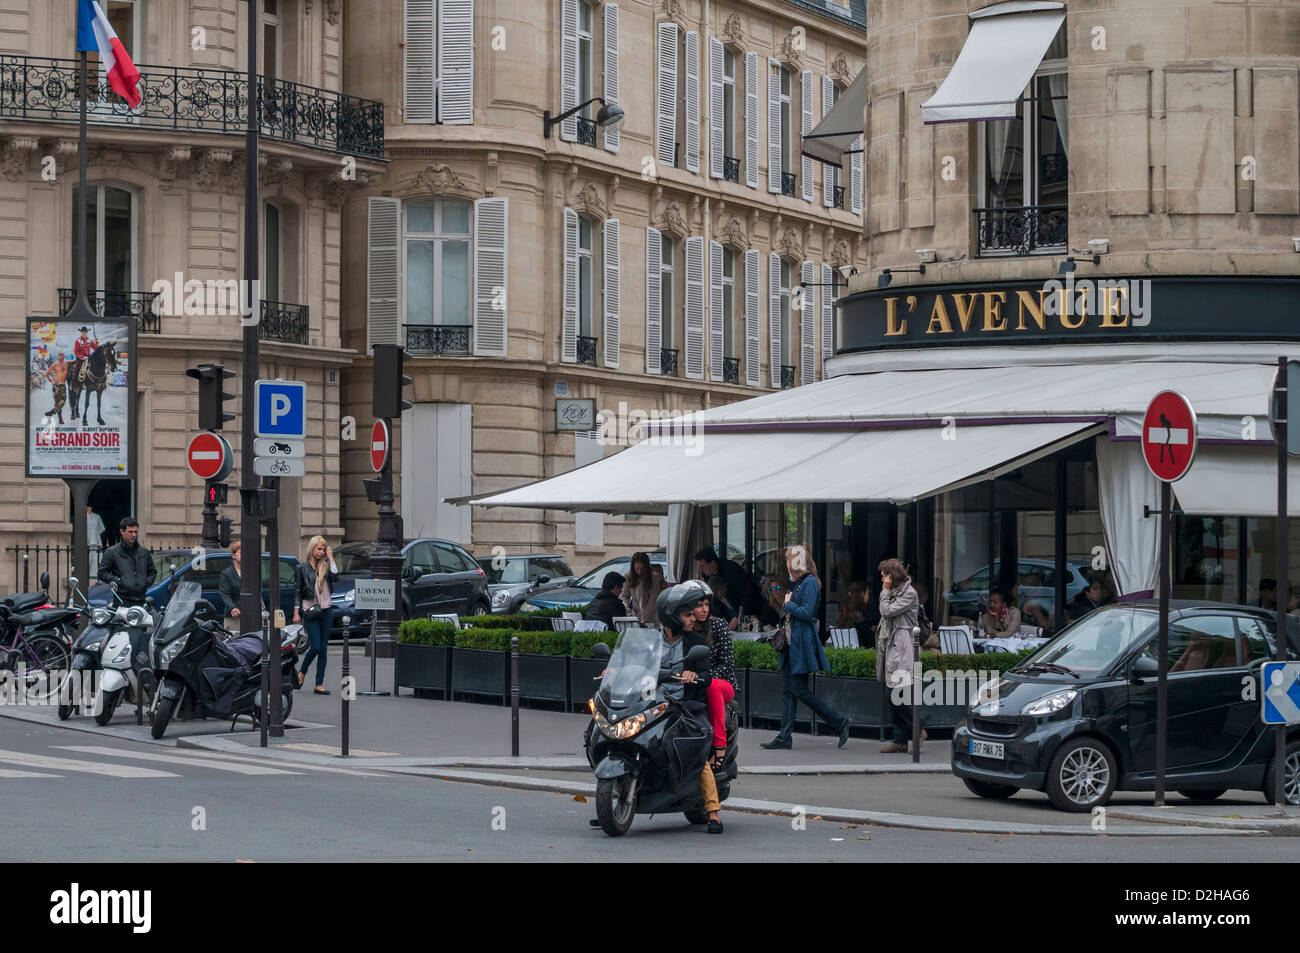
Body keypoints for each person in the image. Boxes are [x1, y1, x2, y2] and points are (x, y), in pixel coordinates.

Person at [760, 545, 851, 751]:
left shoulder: (809, 583)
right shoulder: (799, 583)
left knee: (799, 690)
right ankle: (784, 735)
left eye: (788, 559)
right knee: (788, 690)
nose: (786, 563)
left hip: (801, 643)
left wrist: (789, 604)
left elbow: (809, 613)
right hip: (792, 644)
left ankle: (838, 721)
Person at [655, 582, 725, 834]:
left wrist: (693, 673)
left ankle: (714, 813)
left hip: (686, 707)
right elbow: (635, 662)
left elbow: (707, 675)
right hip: (654, 705)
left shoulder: (695, 640)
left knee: (696, 748)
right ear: (670, 616)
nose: (693, 617)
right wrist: (616, 669)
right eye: (686, 614)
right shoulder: (651, 640)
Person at [876, 558, 925, 754]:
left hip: (903, 646)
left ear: (891, 576)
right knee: (892, 692)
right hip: (892, 646)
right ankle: (900, 739)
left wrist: (885, 591)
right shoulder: (896, 592)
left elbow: (886, 611)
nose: (882, 579)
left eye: (884, 575)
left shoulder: (909, 593)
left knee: (896, 694)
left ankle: (918, 729)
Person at [691, 583, 737, 771]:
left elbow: (727, 663)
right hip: (688, 682)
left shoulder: (718, 625)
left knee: (712, 687)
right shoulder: (683, 627)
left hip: (720, 683)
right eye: (699, 605)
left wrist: (704, 678)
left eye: (706, 605)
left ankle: (719, 745)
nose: (704, 609)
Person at [294, 536, 339, 695]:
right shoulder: (301, 568)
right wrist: (296, 612)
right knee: (316, 647)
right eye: (318, 549)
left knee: (324, 649)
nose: (321, 552)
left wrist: (331, 557)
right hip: (310, 611)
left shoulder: (325, 567)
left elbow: (336, 577)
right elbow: (298, 591)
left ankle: (319, 684)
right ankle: (302, 671)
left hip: (326, 610)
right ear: (312, 549)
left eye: (323, 549)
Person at [694, 546, 759, 628]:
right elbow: (714, 597)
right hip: (728, 608)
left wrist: (738, 616)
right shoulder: (707, 574)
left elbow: (748, 594)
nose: (701, 570)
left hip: (748, 609)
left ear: (713, 563)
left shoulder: (732, 570)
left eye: (702, 566)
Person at [97, 516, 155, 606]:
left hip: (141, 600)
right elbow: (102, 573)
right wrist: (118, 581)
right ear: (122, 531)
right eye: (130, 532)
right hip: (121, 600)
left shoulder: (144, 552)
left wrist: (145, 582)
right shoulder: (112, 552)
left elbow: (152, 571)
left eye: (136, 532)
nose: (134, 535)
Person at [219, 539, 268, 627]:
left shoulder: (253, 572)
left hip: (253, 615)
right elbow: (225, 594)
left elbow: (257, 593)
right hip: (235, 616)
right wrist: (232, 607)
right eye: (241, 552)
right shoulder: (226, 573)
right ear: (233, 555)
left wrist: (262, 611)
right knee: (235, 639)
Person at [622, 552, 660, 625]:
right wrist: (627, 609)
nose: (639, 572)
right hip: (635, 616)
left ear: (647, 567)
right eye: (637, 568)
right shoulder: (628, 576)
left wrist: (645, 619)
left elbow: (653, 600)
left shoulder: (654, 577)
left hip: (651, 618)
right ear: (633, 567)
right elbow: (624, 596)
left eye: (643, 569)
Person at [44, 352, 69, 424]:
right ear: (58, 356)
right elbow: (46, 373)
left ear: (64, 356)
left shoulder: (66, 363)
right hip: (56, 385)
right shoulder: (55, 365)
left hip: (63, 385)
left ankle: (51, 412)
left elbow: (74, 361)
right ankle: (60, 419)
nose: (61, 356)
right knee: (57, 402)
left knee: (63, 402)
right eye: (60, 355)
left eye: (62, 354)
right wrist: (50, 380)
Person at [86, 505, 106, 577]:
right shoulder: (82, 516)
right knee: (86, 559)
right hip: (85, 541)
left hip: (95, 541)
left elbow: (100, 529)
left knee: (95, 559)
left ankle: (93, 575)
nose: (89, 508)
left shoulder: (97, 517)